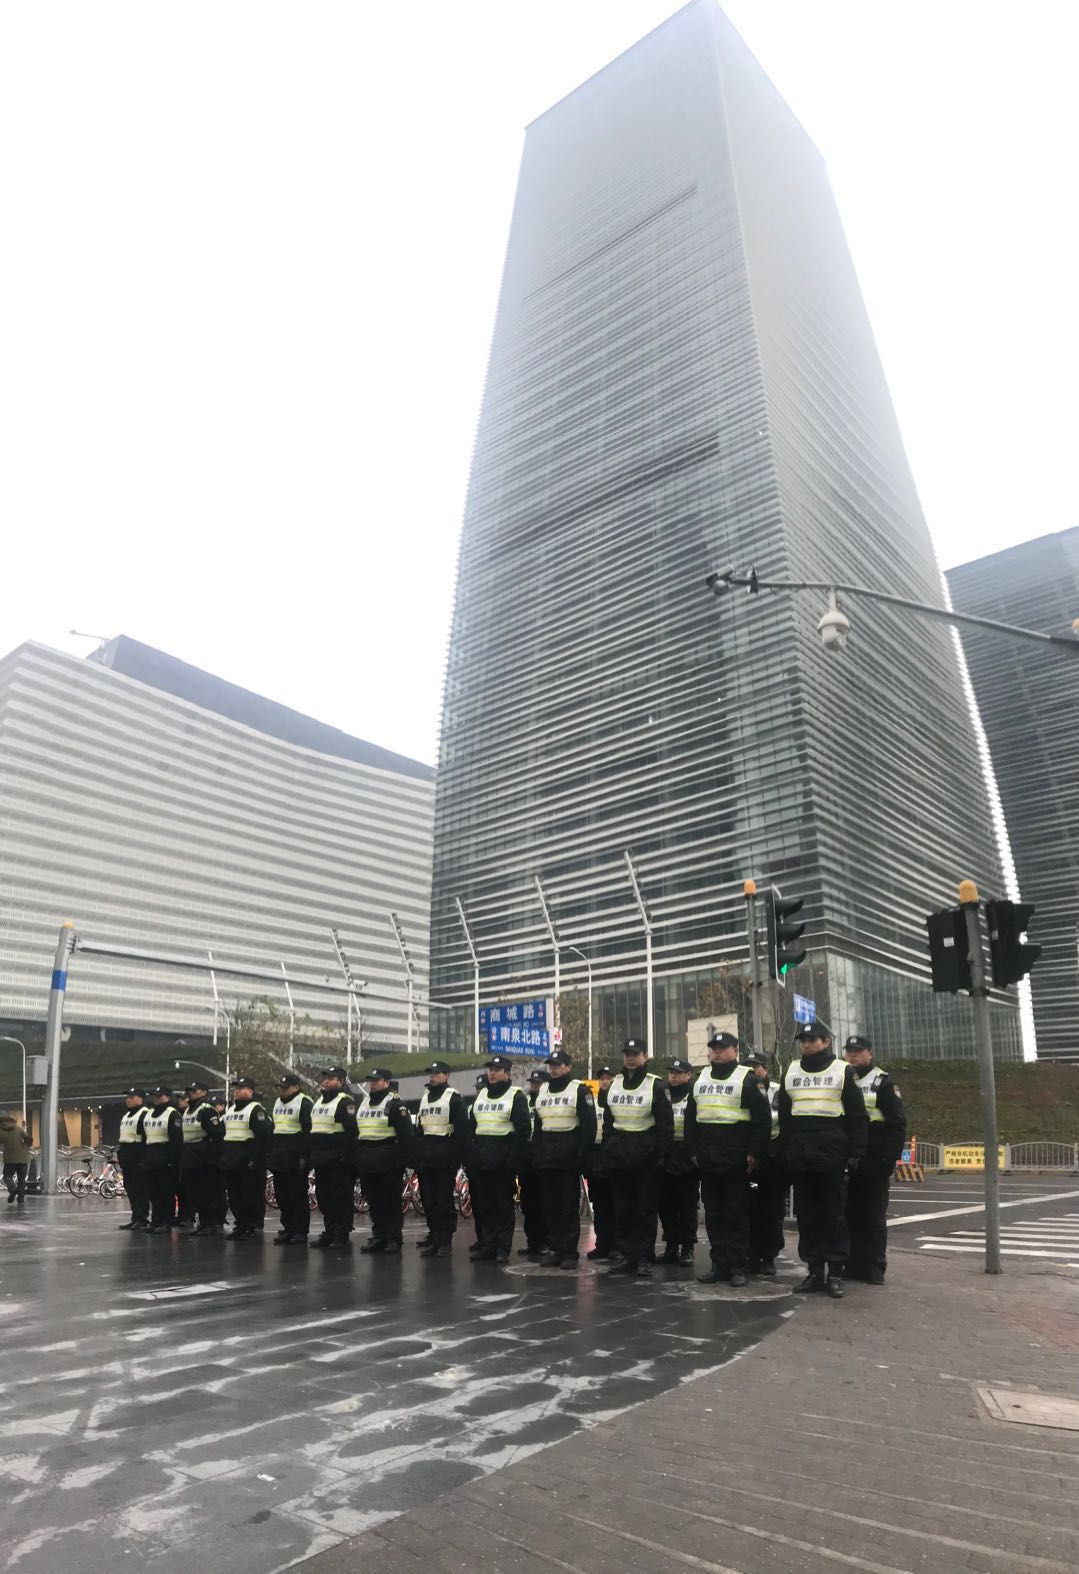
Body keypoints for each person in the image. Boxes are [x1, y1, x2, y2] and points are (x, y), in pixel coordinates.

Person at [779, 1023, 867, 1298]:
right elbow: (785, 1117)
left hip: (832, 1155)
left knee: (834, 1216)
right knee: (807, 1216)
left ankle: (836, 1273)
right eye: (803, 1040)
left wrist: (856, 1153)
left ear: (826, 1041)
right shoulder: (791, 1071)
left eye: (812, 1039)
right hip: (802, 1156)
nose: (806, 1044)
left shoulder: (842, 1070)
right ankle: (815, 1271)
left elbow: (857, 1116)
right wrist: (787, 1150)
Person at [685, 1033, 771, 1287]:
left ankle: (737, 1266)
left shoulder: (748, 1079)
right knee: (713, 1215)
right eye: (714, 1048)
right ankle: (718, 1265)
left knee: (736, 1215)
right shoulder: (700, 1079)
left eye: (723, 1048)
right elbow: (691, 1120)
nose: (717, 1052)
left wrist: (755, 1153)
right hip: (708, 1160)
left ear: (735, 1050)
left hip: (736, 1160)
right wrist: (693, 1151)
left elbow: (762, 1121)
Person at [602, 1038, 673, 1278]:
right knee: (623, 1210)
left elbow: (665, 1126)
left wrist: (661, 1157)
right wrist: (608, 1151)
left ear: (645, 1056)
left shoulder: (656, 1085)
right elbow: (609, 1122)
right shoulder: (615, 1084)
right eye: (627, 1054)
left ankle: (644, 1257)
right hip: (619, 1158)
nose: (630, 1058)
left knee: (645, 1210)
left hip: (646, 1159)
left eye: (635, 1054)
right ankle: (627, 1255)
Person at [843, 1035, 907, 1284]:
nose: (853, 1056)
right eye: (849, 1051)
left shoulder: (882, 1082)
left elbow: (897, 1124)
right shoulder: (842, 1079)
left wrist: (888, 1160)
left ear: (870, 1054)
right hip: (850, 1157)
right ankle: (851, 1264)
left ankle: (873, 1266)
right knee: (849, 1214)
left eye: (858, 1051)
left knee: (873, 1216)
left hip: (874, 1158)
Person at [531, 1050, 596, 1269]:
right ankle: (555, 1248)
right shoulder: (543, 1090)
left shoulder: (579, 1090)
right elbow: (539, 1125)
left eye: (558, 1065)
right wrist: (537, 1153)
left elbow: (588, 1126)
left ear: (568, 1067)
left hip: (568, 1156)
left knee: (568, 1207)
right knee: (550, 1206)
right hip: (547, 1155)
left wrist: (581, 1155)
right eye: (551, 1065)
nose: (554, 1068)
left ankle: (569, 1252)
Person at [468, 1055, 530, 1262]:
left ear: (507, 1073)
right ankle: (488, 1245)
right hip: (482, 1161)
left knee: (503, 1206)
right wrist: (474, 1155)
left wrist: (512, 1160)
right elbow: (472, 1128)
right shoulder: (481, 1095)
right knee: (485, 1206)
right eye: (490, 1069)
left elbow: (523, 1132)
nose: (492, 1073)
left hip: (503, 1162)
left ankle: (502, 1248)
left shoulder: (516, 1096)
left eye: (496, 1070)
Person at [413, 1060, 468, 1257]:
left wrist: (455, 1159)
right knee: (429, 1202)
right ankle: (435, 1238)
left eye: (436, 1073)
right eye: (431, 1073)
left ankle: (445, 1241)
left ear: (446, 1075)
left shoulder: (453, 1098)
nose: (432, 1076)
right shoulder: (425, 1098)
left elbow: (462, 1132)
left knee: (443, 1202)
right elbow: (419, 1129)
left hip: (444, 1159)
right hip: (426, 1159)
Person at [354, 1067, 412, 1253]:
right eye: (371, 1080)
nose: (372, 1083)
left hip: (388, 1160)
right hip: (367, 1159)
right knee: (374, 1202)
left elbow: (406, 1136)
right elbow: (357, 1132)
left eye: (376, 1080)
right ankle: (379, 1236)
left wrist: (400, 1162)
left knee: (391, 1202)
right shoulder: (364, 1103)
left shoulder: (395, 1104)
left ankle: (393, 1238)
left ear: (386, 1082)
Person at [745, 1052, 785, 1277]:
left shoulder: (778, 1091)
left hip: (772, 1156)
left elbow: (785, 1120)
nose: (753, 1070)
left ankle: (769, 1256)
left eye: (756, 1066)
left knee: (772, 1210)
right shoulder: (742, 1088)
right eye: (748, 1066)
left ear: (766, 1069)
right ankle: (751, 1256)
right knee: (749, 1208)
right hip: (749, 1157)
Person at [309, 1066, 358, 1250]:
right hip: (321, 1159)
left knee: (340, 1199)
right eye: (325, 1078)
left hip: (337, 1160)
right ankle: (329, 1231)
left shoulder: (345, 1102)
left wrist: (345, 1156)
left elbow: (351, 1132)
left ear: (341, 1081)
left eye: (331, 1078)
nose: (326, 1081)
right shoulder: (320, 1101)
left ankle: (340, 1234)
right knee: (324, 1198)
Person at [218, 1075, 272, 1238]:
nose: (236, 1091)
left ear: (250, 1091)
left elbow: (264, 1136)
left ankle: (252, 1226)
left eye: (240, 1088)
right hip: (232, 1161)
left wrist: (256, 1160)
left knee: (251, 1196)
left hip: (249, 1162)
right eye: (235, 1088)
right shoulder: (230, 1111)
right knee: (235, 1197)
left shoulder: (256, 1110)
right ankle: (241, 1224)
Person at [657, 1060, 699, 1265]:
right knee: (666, 1205)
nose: (673, 1076)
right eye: (671, 1072)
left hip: (687, 1154)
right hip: (666, 1154)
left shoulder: (694, 1095)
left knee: (687, 1205)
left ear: (688, 1075)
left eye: (678, 1072)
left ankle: (688, 1248)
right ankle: (671, 1246)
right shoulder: (662, 1093)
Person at [269, 1072, 313, 1244]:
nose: (282, 1090)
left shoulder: (304, 1102)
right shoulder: (277, 1102)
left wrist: (304, 1157)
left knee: (297, 1195)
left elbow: (308, 1131)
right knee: (282, 1195)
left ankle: (300, 1231)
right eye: (280, 1087)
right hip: (279, 1155)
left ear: (296, 1087)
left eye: (285, 1088)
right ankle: (288, 1228)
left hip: (296, 1155)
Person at [179, 1080, 225, 1236]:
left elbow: (217, 1135)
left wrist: (213, 1158)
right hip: (191, 1155)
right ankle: (204, 1223)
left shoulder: (207, 1110)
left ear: (204, 1092)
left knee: (208, 1192)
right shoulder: (188, 1110)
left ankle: (213, 1223)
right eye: (190, 1091)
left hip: (204, 1156)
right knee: (196, 1192)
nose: (191, 1093)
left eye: (195, 1090)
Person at [585, 1066, 617, 1261]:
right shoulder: (594, 1103)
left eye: (608, 1078)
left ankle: (617, 1245)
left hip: (614, 1156)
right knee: (599, 1204)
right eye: (602, 1079)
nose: (605, 1082)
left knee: (616, 1203)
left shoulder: (619, 1101)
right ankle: (602, 1244)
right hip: (596, 1156)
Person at [516, 1070, 549, 1261]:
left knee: (545, 1202)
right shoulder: (525, 1101)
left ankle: (546, 1242)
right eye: (533, 1083)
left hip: (543, 1156)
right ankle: (533, 1242)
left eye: (538, 1083)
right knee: (528, 1203)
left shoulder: (548, 1101)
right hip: (526, 1157)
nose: (534, 1086)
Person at [142, 1087, 183, 1232]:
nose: (156, 1098)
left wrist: (172, 1160)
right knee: (153, 1193)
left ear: (168, 1097)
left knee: (166, 1192)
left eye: (160, 1096)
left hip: (165, 1156)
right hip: (151, 1156)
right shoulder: (149, 1113)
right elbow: (144, 1136)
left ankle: (166, 1222)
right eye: (155, 1096)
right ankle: (156, 1221)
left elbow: (176, 1140)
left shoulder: (172, 1114)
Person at [115, 1089, 150, 1229]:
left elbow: (146, 1138)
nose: (128, 1099)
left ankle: (142, 1218)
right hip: (127, 1157)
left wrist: (144, 1159)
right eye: (127, 1097)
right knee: (130, 1189)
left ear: (140, 1098)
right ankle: (135, 1217)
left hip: (138, 1156)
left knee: (140, 1189)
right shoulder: (127, 1115)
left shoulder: (145, 1114)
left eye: (131, 1097)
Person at [0, 1111, 32, 1205]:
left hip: (10, 1158)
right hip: (23, 1157)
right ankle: (21, 1199)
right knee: (21, 1179)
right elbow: (29, 1139)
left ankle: (13, 1189)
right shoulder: (18, 1128)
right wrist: (26, 1146)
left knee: (7, 1176)